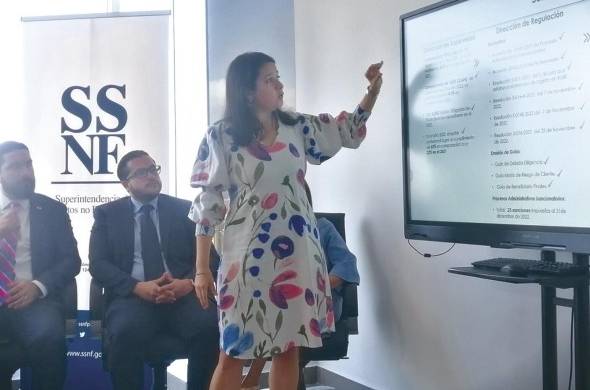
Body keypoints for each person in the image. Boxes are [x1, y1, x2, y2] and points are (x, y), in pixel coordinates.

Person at [190, 51, 382, 390]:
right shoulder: (221, 136)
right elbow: (208, 205)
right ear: (248, 91)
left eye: (279, 77)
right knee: (233, 350)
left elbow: (347, 131)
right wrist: (202, 269)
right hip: (244, 260)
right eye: (270, 79)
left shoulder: (298, 126)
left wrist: (371, 93)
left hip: (298, 254)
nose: (280, 85)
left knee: (289, 349)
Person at [89, 150, 220, 390]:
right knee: (124, 332)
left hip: (181, 293)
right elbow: (98, 264)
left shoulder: (184, 209)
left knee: (210, 326)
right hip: (133, 296)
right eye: (142, 172)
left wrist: (188, 283)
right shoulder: (107, 214)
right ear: (126, 184)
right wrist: (136, 287)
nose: (151, 176)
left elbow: (211, 259)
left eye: (153, 169)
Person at [240, 181, 360, 390]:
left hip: (320, 300)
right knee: (274, 313)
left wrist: (319, 284)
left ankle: (253, 375)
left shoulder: (323, 227)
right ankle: (255, 375)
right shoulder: (271, 234)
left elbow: (347, 263)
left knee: (281, 322)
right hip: (283, 303)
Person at [0, 141, 81, 390]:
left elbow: (71, 261)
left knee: (49, 338)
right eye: (15, 167)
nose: (26, 172)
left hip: (34, 301)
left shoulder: (52, 210)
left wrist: (37, 286)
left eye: (28, 164)